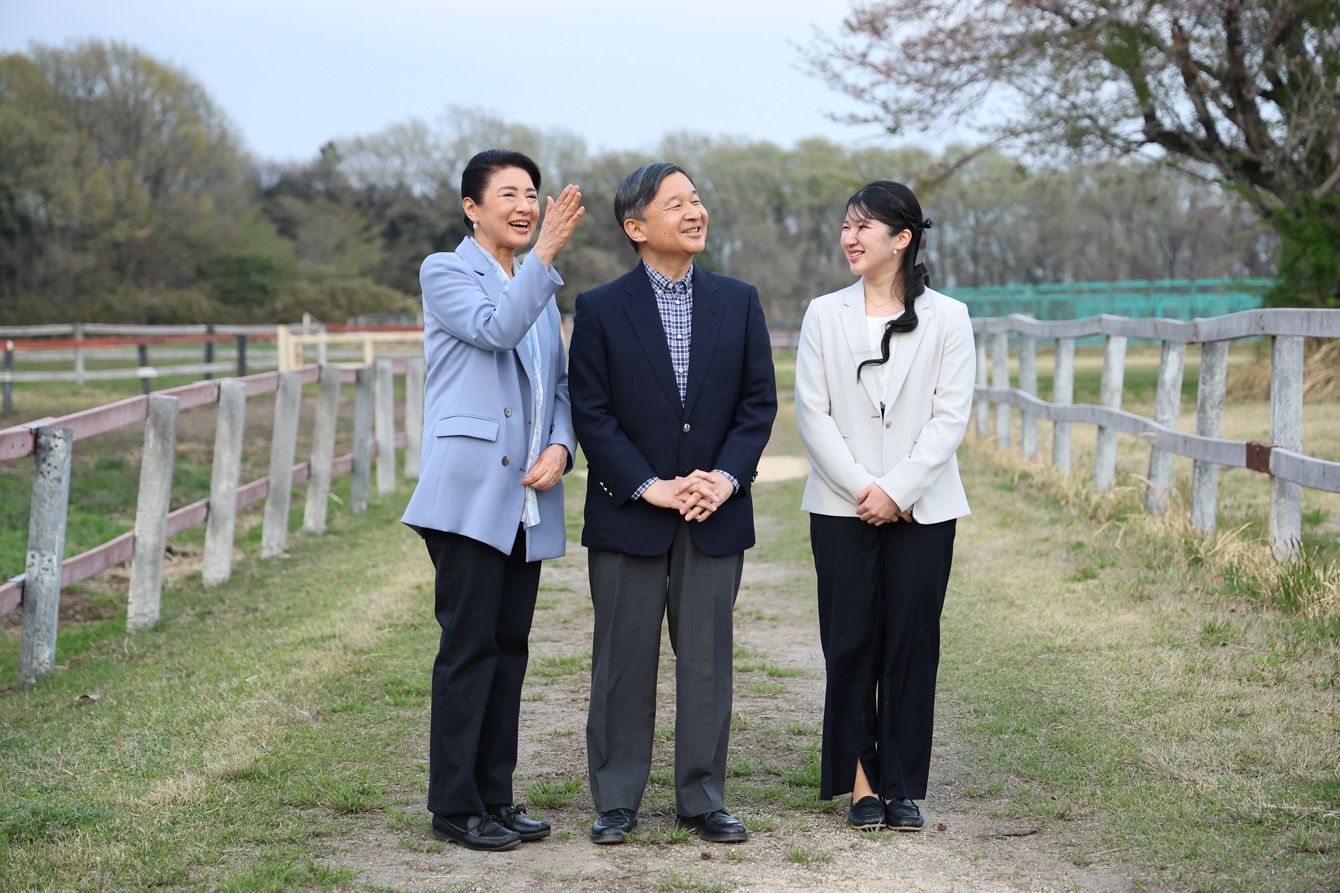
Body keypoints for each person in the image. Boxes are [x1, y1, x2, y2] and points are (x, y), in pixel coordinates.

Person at [568, 162, 777, 845]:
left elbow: (758, 404)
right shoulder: (600, 308)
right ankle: (616, 798)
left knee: (708, 661)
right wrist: (648, 485)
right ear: (636, 226)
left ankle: (703, 797)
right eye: (677, 203)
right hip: (631, 513)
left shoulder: (738, 300)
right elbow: (592, 412)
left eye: (697, 199)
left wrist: (725, 478)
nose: (695, 212)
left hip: (714, 511)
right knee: (621, 661)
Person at [401, 149, 585, 852]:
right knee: (469, 648)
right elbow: (494, 329)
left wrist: (561, 447)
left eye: (532, 193)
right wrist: (544, 258)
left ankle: (495, 796)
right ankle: (455, 804)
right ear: (471, 208)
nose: (526, 204)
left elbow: (558, 385)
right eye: (508, 193)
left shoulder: (538, 286)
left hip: (526, 499)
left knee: (510, 650)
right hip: (468, 495)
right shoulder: (446, 271)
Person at [794, 180, 974, 832]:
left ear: (902, 238)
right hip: (841, 507)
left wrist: (898, 489)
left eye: (863, 226)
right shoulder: (823, 314)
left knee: (911, 644)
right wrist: (864, 489)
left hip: (923, 509)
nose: (850, 237)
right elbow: (812, 414)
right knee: (850, 643)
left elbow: (950, 417)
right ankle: (861, 783)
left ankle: (902, 784)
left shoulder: (950, 317)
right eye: (846, 225)